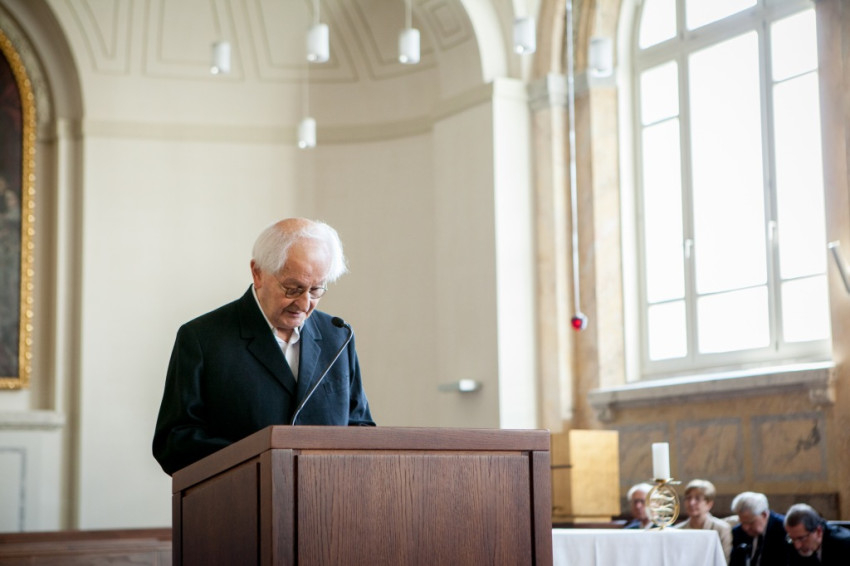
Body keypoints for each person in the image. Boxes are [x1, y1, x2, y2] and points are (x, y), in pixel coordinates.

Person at [152, 218, 375, 475]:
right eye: (293, 289)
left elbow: (360, 428)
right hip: (240, 494)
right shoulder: (202, 338)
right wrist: (260, 461)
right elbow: (175, 443)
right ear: (258, 273)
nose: (305, 304)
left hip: (327, 494)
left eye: (315, 290)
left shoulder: (338, 336)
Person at [675, 479, 732, 564]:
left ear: (709, 504)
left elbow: (723, 561)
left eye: (697, 499)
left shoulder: (722, 529)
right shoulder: (678, 530)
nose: (691, 503)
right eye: (688, 498)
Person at [729, 491, 789, 566]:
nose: (745, 528)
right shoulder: (738, 532)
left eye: (750, 523)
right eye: (742, 522)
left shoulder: (784, 529)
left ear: (764, 514)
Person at [784, 503, 850, 565]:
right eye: (792, 538)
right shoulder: (792, 544)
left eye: (801, 538)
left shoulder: (845, 545)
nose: (797, 546)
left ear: (818, 531)